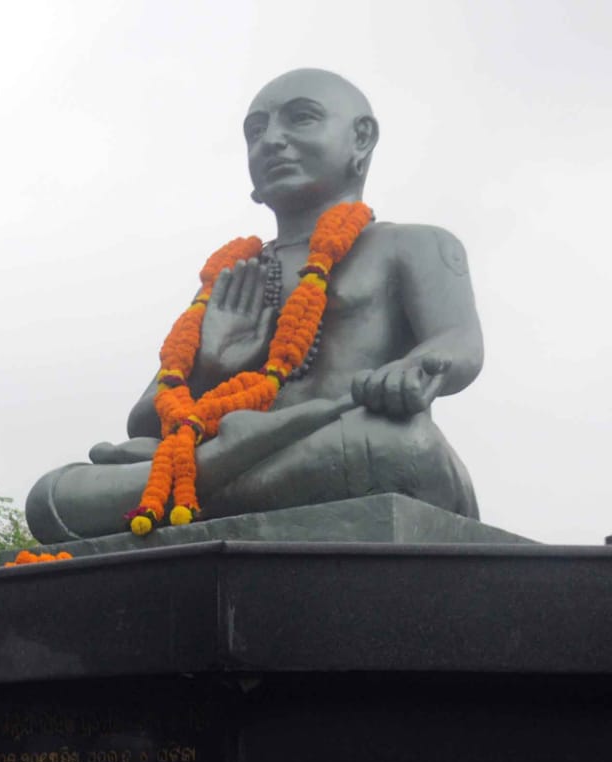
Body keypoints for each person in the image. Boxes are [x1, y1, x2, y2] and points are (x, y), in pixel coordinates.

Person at [26, 68, 484, 541]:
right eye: (256, 131)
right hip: (266, 461)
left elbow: (460, 344)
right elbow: (147, 416)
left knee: (401, 445)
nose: (271, 141)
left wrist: (414, 369)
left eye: (300, 119)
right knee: (51, 496)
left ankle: (204, 479)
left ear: (361, 138)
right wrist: (210, 365)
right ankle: (221, 467)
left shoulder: (411, 245)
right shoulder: (231, 277)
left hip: (352, 438)